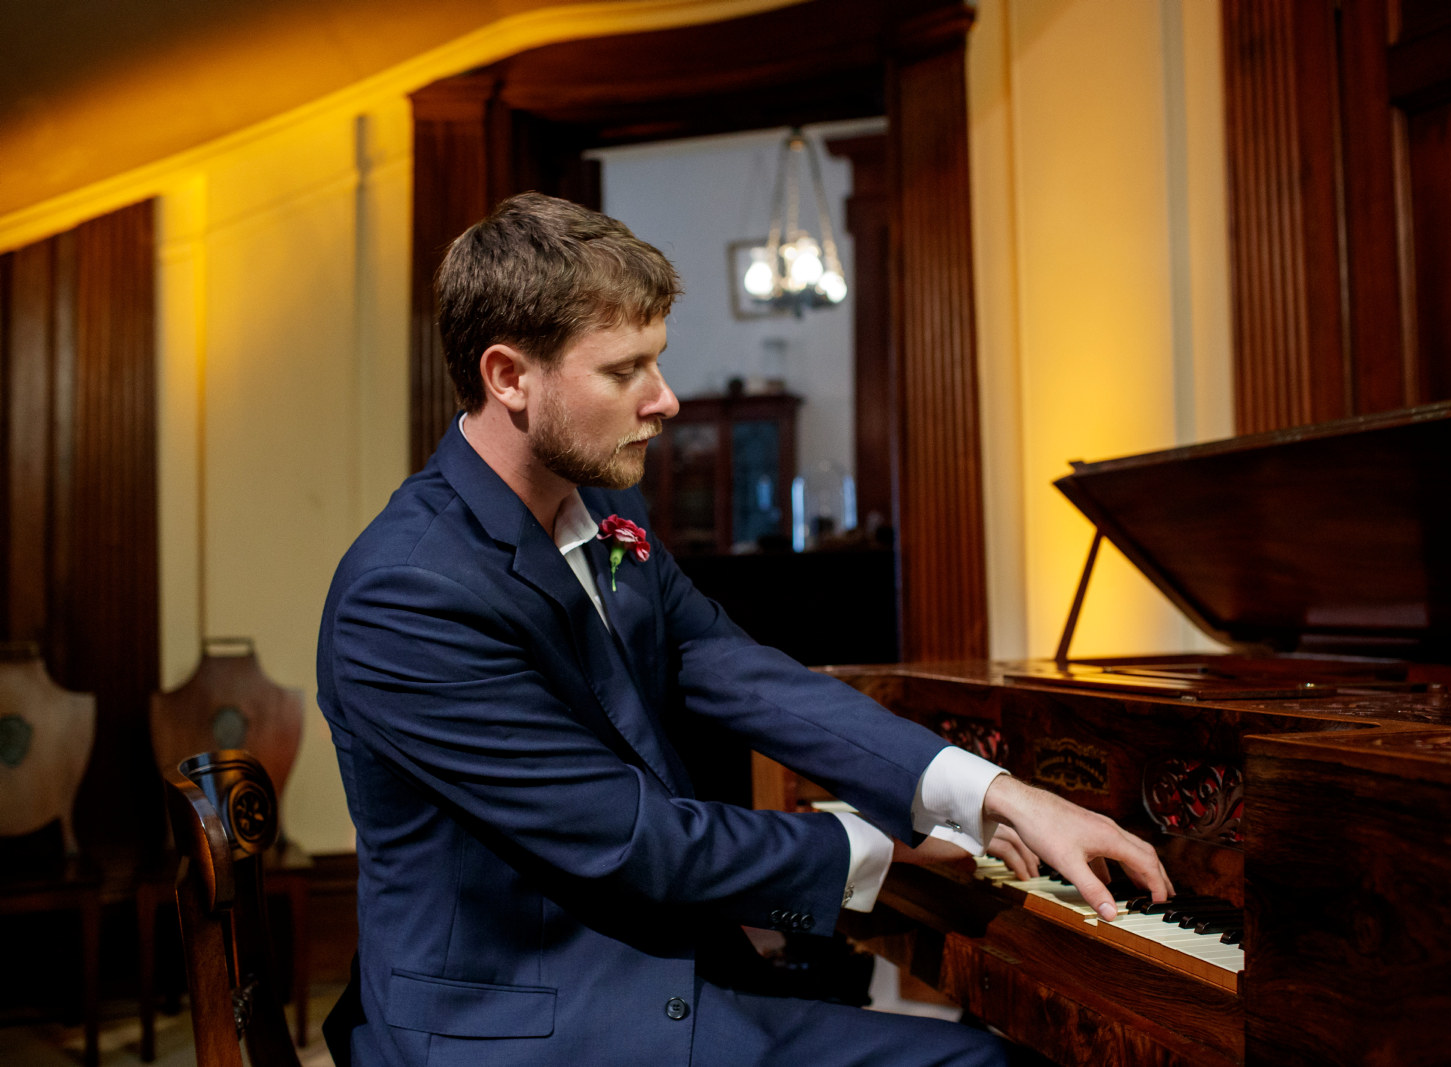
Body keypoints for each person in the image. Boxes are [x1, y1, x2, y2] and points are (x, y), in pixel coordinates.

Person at [316, 191, 1172, 1067]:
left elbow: (733, 667)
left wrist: (993, 793)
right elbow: (633, 839)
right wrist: (877, 854)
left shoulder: (602, 504)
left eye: (658, 362)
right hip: (524, 1029)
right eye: (624, 371)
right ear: (509, 378)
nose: (666, 399)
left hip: (645, 967)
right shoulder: (407, 592)